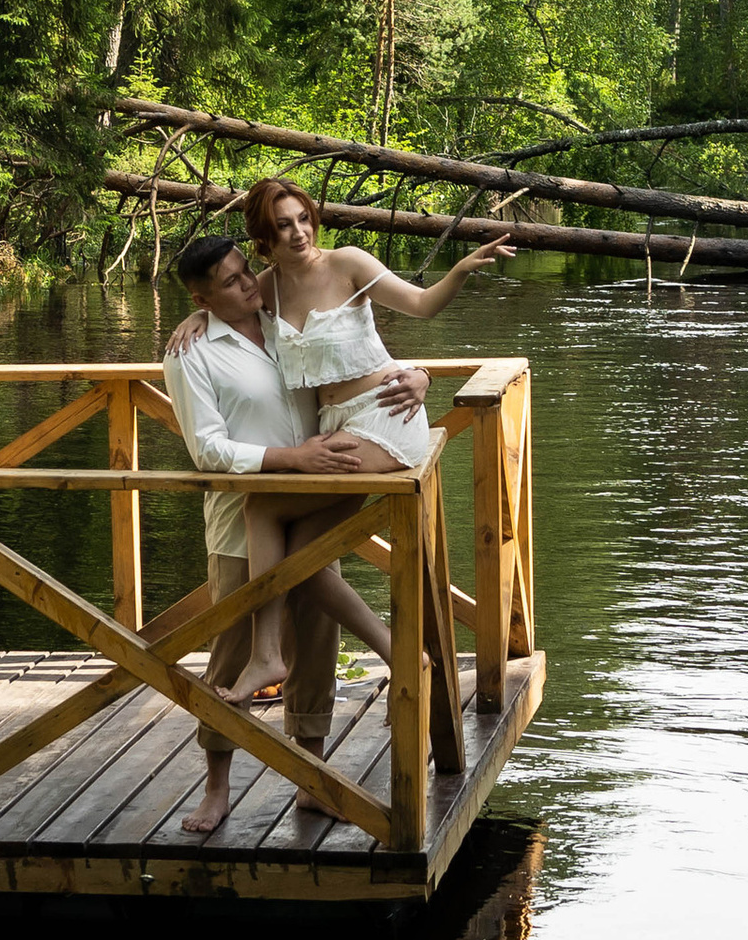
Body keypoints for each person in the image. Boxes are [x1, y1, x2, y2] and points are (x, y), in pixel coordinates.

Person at [168, 177, 516, 696]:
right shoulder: (268, 288)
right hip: (334, 430)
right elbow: (226, 301)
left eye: (303, 218)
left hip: (381, 417)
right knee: (302, 561)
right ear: (265, 236)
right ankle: (398, 652)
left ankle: (271, 657)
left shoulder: (348, 261)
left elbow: (420, 306)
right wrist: (196, 315)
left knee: (263, 511)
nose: (298, 232)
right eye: (282, 225)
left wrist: (455, 282)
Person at [160, 232, 428, 838]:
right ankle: (217, 787)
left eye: (244, 270)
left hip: (308, 511)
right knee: (232, 654)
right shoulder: (192, 350)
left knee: (316, 652)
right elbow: (207, 450)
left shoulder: (280, 320)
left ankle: (311, 781)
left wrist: (420, 375)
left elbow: (353, 358)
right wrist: (291, 459)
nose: (247, 282)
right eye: (229, 282)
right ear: (202, 299)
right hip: (245, 522)